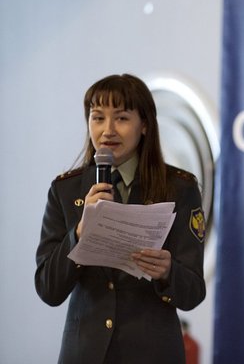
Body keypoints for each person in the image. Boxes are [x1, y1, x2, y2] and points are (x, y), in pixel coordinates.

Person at [35, 74, 206, 363]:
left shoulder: (179, 188)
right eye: (98, 118)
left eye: (122, 118)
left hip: (152, 353)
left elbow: (193, 293)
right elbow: (48, 289)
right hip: (85, 353)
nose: (108, 130)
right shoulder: (66, 190)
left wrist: (168, 272)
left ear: (145, 125)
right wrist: (79, 232)